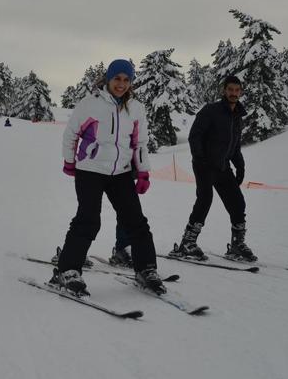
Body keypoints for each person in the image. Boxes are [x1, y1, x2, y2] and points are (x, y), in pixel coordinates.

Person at [51, 59, 164, 295]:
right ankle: (68, 270)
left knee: (136, 221)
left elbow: (140, 143)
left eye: (126, 80)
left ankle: (146, 269)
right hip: (90, 170)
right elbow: (71, 134)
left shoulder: (136, 109)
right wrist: (70, 162)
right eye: (117, 79)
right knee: (88, 219)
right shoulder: (90, 104)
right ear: (108, 79)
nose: (121, 84)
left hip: (120, 172)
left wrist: (143, 171)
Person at [168, 75, 256, 262]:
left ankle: (237, 245)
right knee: (205, 200)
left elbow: (234, 146)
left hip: (223, 167)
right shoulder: (211, 110)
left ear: (240, 92)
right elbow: (195, 136)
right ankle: (187, 243)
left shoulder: (237, 116)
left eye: (237, 90)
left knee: (237, 203)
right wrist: (200, 158)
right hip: (205, 165)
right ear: (224, 90)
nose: (233, 93)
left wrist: (240, 167)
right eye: (230, 89)